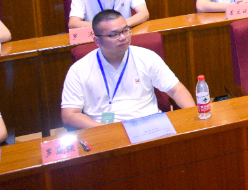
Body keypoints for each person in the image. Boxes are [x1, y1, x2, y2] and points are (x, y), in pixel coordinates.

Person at [61, 9, 194, 128]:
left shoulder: (147, 57)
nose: (123, 37)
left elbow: (176, 90)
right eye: (114, 34)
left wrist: (194, 117)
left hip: (150, 126)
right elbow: (69, 115)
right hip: (105, 131)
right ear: (97, 41)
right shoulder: (79, 70)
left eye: (125, 30)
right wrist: (104, 130)